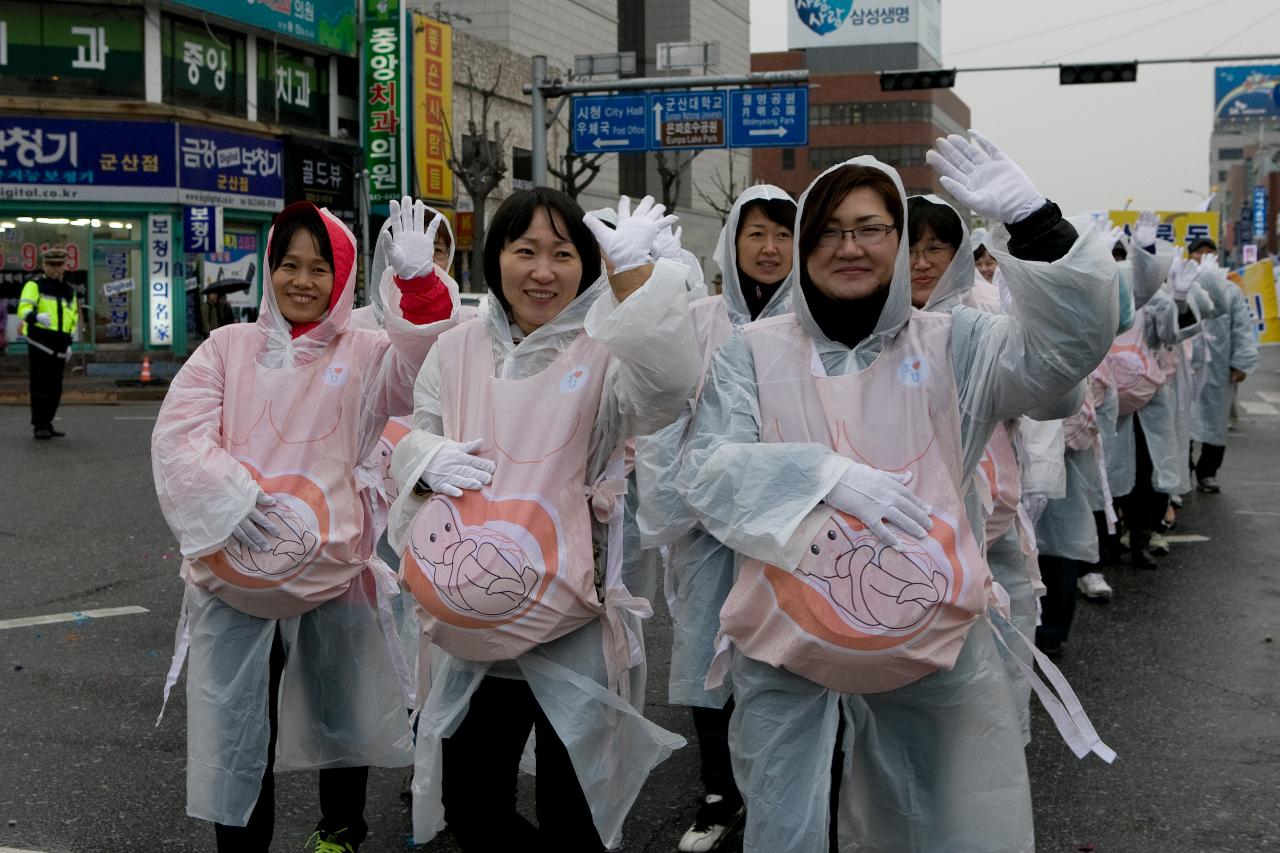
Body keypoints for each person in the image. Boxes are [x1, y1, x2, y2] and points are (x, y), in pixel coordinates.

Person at [676, 132, 1118, 851]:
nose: (850, 247)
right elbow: (707, 472)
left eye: (871, 229)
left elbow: (1061, 358)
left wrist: (1037, 225)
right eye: (829, 230)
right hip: (787, 641)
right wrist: (821, 475)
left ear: (900, 238)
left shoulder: (957, 342)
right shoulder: (752, 351)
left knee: (934, 815)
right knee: (787, 820)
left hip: (931, 640)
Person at [388, 189, 697, 851]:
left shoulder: (607, 350)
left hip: (569, 624)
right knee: (470, 806)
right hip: (472, 626)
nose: (542, 270)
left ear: (586, 265)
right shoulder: (456, 349)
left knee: (574, 811)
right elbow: (414, 441)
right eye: (523, 249)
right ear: (494, 259)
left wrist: (640, 286)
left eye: (562, 253)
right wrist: (425, 458)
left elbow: (668, 389)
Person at [152, 196, 457, 853]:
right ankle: (239, 842)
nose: (301, 280)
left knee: (338, 709)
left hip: (333, 569)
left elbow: (424, 370)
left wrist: (420, 285)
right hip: (237, 569)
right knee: (238, 719)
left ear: (342, 278)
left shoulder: (367, 352)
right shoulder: (228, 348)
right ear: (269, 267)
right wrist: (237, 501)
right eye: (288, 264)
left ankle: (340, 829)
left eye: (320, 267)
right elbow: (179, 434)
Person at [636, 184, 797, 853]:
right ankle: (717, 791)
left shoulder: (811, 322)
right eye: (754, 233)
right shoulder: (700, 320)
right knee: (708, 656)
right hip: (708, 526)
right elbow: (664, 418)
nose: (768, 248)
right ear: (731, 243)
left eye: (782, 234)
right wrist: (680, 507)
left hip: (790, 529)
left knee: (785, 659)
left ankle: (781, 791)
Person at [1190, 238, 1259, 492]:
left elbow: (1242, 328)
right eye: (1200, 252)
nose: (1204, 256)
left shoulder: (1231, 291)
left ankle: (1208, 472)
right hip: (1186, 369)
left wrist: (1241, 362)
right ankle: (1182, 469)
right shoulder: (1181, 285)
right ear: (1191, 255)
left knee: (1216, 421)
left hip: (1218, 369)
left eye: (1210, 252)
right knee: (1182, 420)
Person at [19, 246, 78, 439]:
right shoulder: (35, 285)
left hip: (60, 344)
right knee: (40, 385)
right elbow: (23, 309)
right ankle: (39, 424)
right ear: (44, 265)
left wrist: (69, 342)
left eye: (59, 265)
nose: (55, 269)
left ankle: (49, 421)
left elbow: (73, 317)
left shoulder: (69, 290)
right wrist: (35, 317)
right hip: (39, 341)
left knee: (55, 387)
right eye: (51, 265)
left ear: (64, 265)